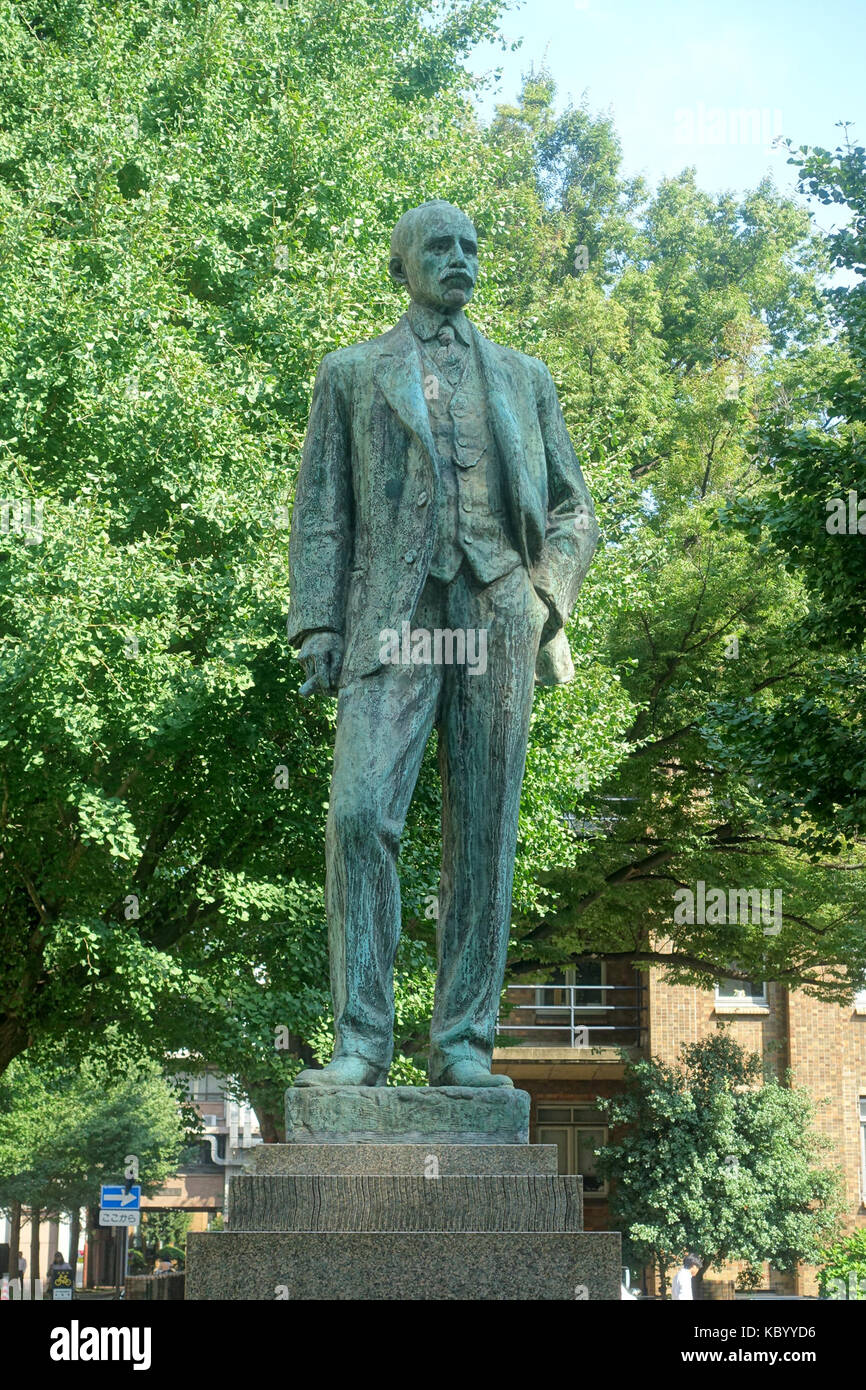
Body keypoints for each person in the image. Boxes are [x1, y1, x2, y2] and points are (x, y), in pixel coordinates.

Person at [288, 200, 597, 1088]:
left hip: (497, 607)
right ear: (403, 265)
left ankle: (463, 1042)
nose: (458, 258)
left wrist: (545, 596)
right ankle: (361, 1042)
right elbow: (322, 510)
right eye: (439, 246)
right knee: (358, 814)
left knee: (485, 833)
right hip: (394, 613)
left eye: (469, 247)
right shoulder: (351, 374)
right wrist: (317, 619)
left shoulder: (522, 377)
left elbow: (573, 505)